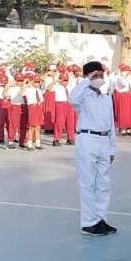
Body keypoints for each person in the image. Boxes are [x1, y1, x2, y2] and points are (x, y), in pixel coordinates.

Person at [69, 61, 118, 236]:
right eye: (95, 75)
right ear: (87, 77)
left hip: (104, 140)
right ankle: (88, 223)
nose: (99, 78)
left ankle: (100, 219)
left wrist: (112, 149)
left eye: (100, 75)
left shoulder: (105, 98)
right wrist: (86, 80)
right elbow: (72, 98)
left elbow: (111, 124)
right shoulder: (82, 99)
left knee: (104, 184)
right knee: (88, 183)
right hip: (87, 138)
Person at [51, 72, 76, 146]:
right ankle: (56, 139)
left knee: (70, 122)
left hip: (69, 104)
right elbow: (48, 89)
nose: (66, 82)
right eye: (64, 80)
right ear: (60, 80)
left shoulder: (69, 87)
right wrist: (55, 82)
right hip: (60, 104)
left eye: (66, 80)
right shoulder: (57, 87)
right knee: (60, 121)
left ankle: (70, 138)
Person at [23, 75, 45, 151]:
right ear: (32, 82)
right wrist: (27, 85)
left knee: (38, 127)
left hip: (39, 107)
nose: (38, 83)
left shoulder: (38, 90)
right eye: (36, 82)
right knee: (32, 127)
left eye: (38, 82)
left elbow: (41, 99)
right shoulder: (28, 89)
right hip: (32, 107)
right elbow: (20, 93)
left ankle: (38, 144)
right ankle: (29, 144)